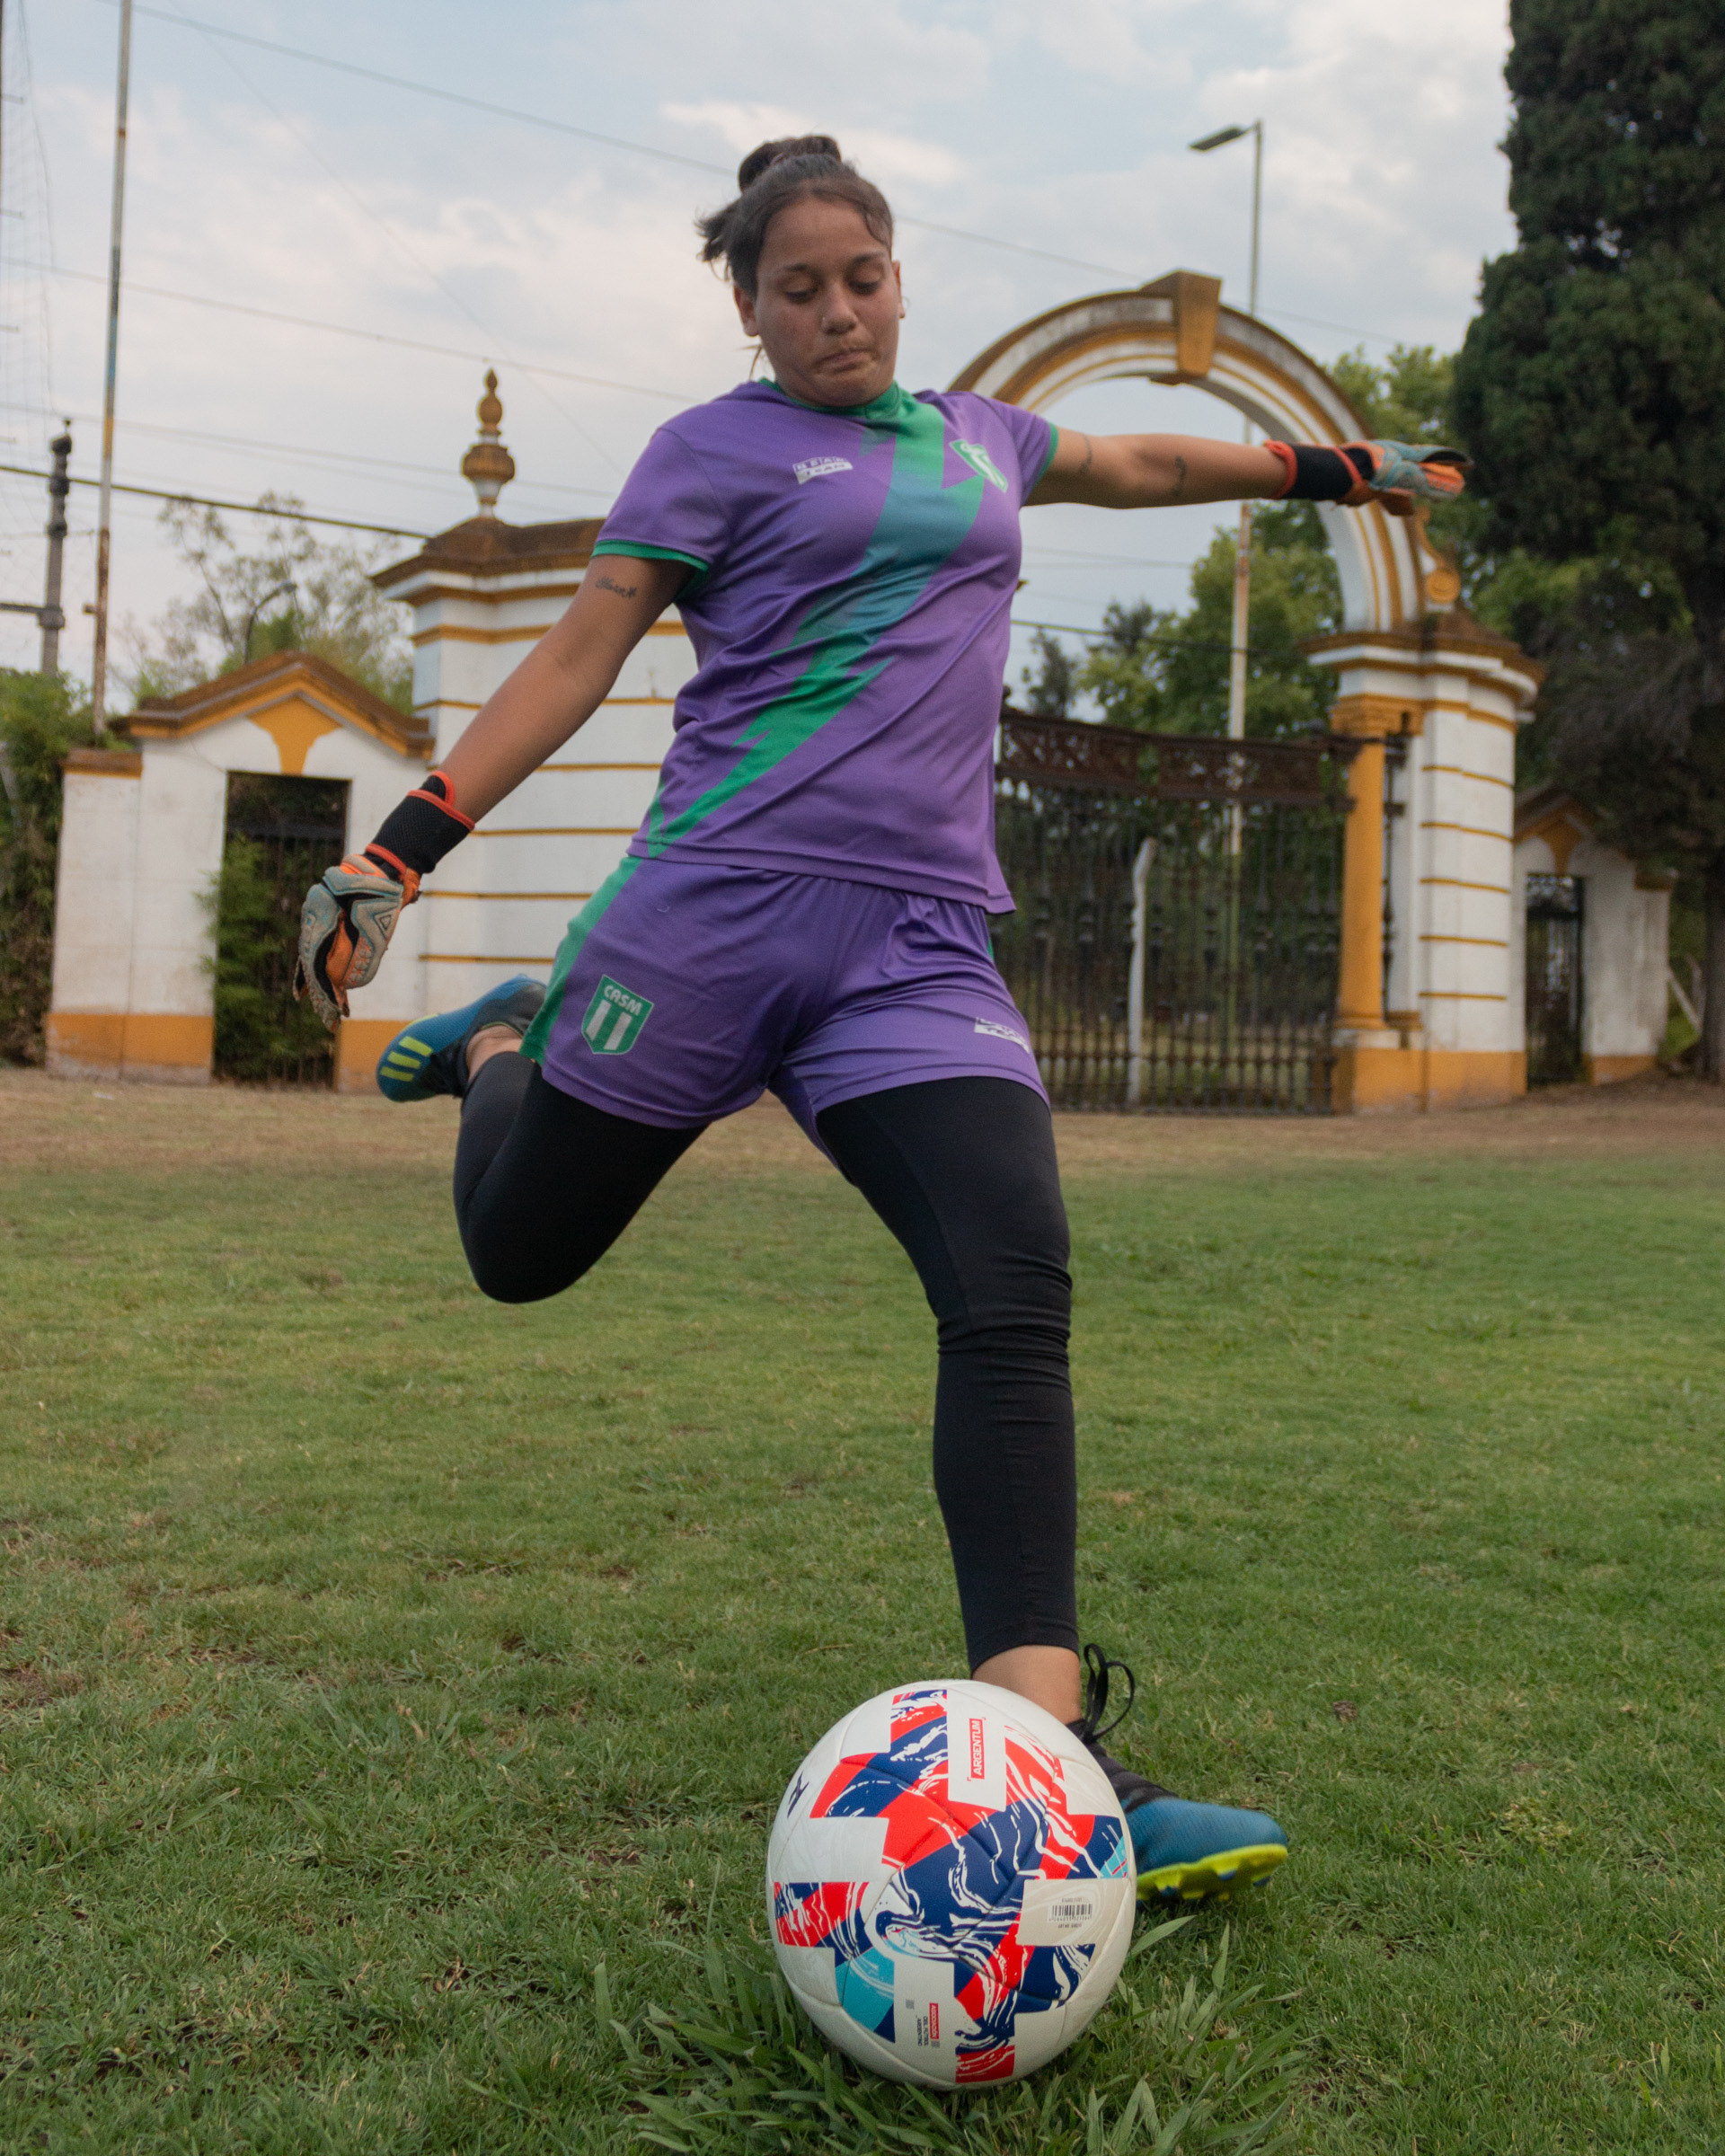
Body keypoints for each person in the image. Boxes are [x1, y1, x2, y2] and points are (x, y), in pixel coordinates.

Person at [296, 136, 1466, 1904]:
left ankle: (1060, 1765)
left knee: (1012, 1284)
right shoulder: (704, 454)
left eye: (864, 277)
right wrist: (399, 849)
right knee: (518, 1256)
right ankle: (500, 1049)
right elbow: (574, 660)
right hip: (705, 921)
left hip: (914, 949)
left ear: (900, 279)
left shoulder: (980, 439)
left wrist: (1341, 468)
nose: (838, 311)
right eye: (800, 287)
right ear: (748, 307)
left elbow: (1148, 458)